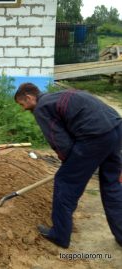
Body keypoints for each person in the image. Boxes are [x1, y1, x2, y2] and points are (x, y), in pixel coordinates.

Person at [14, 83, 122, 249]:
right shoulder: (59, 95)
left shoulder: (41, 107)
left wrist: (69, 165)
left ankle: (60, 235)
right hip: (115, 129)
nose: (23, 108)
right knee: (112, 185)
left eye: (22, 104)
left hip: (94, 137)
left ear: (29, 97)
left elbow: (59, 141)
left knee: (65, 183)